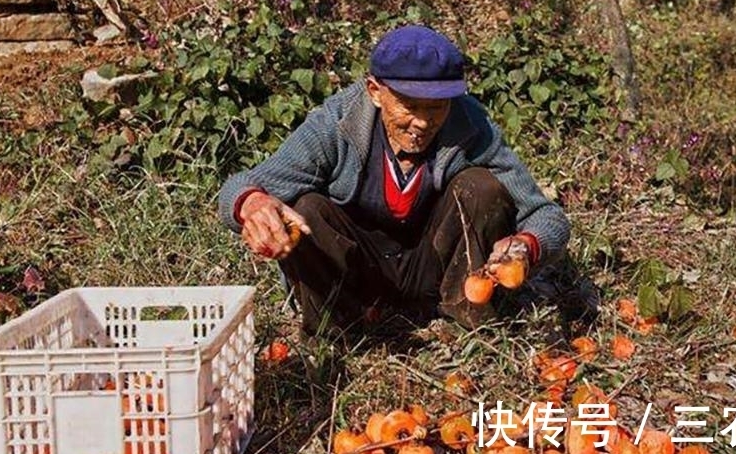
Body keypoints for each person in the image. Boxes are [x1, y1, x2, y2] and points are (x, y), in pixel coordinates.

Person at [218, 25, 571, 337]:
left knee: (482, 187)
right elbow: (239, 186)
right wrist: (252, 204)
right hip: (358, 273)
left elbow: (546, 217)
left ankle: (460, 318)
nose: (422, 122)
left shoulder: (470, 125)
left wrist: (526, 245)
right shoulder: (337, 124)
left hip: (431, 267)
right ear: (374, 90)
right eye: (409, 106)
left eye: (436, 108)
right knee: (306, 208)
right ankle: (336, 329)